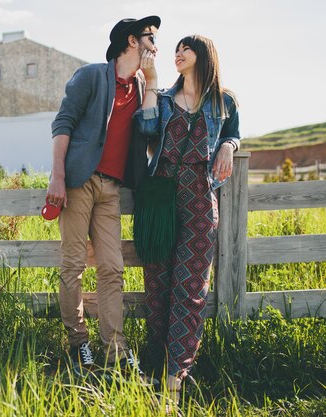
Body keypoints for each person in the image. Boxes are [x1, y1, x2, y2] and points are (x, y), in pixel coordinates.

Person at [47, 16, 160, 382]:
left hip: (111, 188)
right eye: (150, 37)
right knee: (74, 265)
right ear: (131, 41)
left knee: (112, 267)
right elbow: (63, 123)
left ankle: (116, 349)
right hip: (79, 181)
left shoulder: (143, 86)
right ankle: (78, 342)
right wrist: (58, 176)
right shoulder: (92, 76)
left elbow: (149, 130)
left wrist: (154, 82)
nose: (156, 44)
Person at [135, 34, 240, 404]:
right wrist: (149, 82)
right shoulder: (162, 99)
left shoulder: (224, 102)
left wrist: (228, 145)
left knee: (190, 289)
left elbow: (233, 134)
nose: (178, 53)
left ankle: (175, 377)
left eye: (186, 48)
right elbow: (146, 131)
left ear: (204, 55)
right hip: (161, 196)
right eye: (176, 49)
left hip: (199, 195)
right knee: (158, 286)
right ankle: (153, 365)